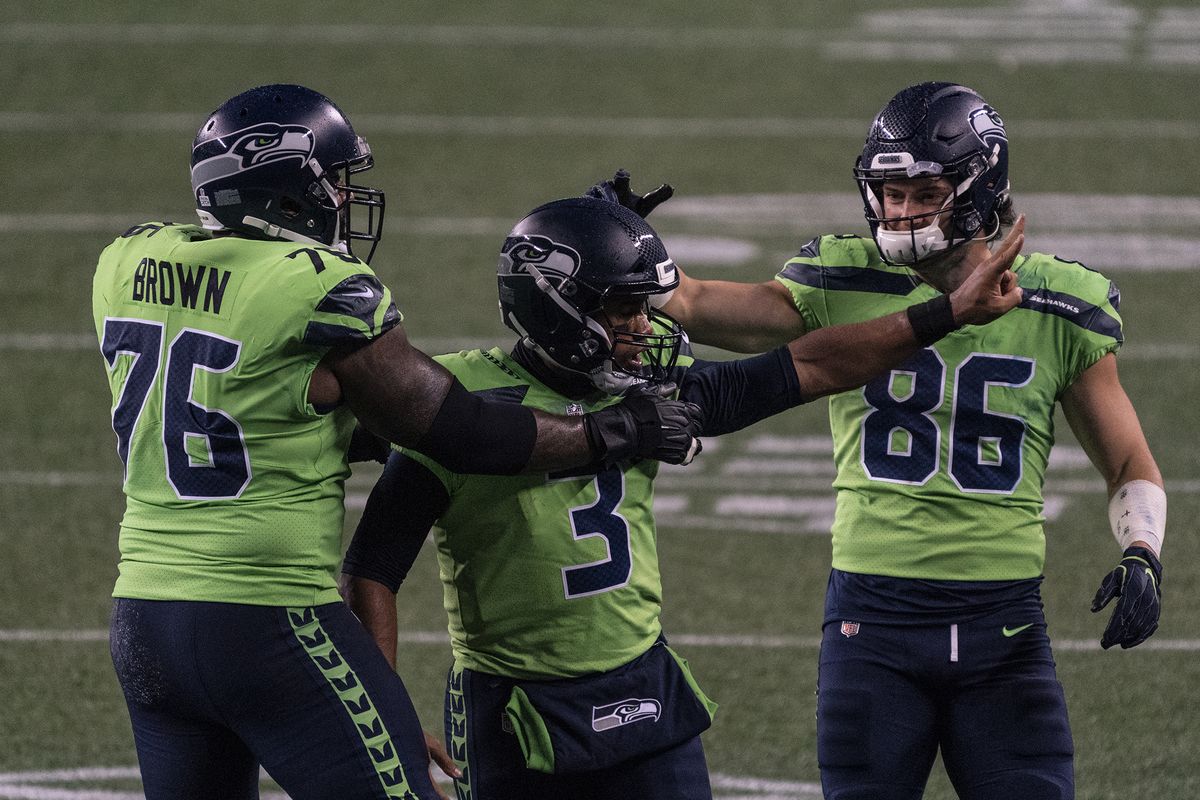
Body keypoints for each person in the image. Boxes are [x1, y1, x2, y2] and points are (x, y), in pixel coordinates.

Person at [91, 85, 704, 800]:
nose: (345, 202)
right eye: (334, 183)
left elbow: (273, 410)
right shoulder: (314, 287)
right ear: (286, 191)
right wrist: (612, 430)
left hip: (144, 620)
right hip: (266, 616)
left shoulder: (125, 263)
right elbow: (460, 432)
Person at [338, 193, 1025, 800]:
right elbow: (373, 566)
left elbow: (811, 365)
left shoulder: (649, 389)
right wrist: (389, 707)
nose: (646, 326)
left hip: (642, 684)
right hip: (514, 704)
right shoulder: (459, 409)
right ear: (556, 307)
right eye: (623, 309)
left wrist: (946, 314)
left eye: (644, 306)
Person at [611, 82, 1166, 799]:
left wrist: (1142, 549)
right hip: (871, 624)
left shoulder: (1062, 302)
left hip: (1003, 624)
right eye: (889, 192)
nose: (901, 211)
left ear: (978, 183)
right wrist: (625, 247)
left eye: (923, 191)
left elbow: (1126, 460)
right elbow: (693, 304)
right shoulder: (840, 275)